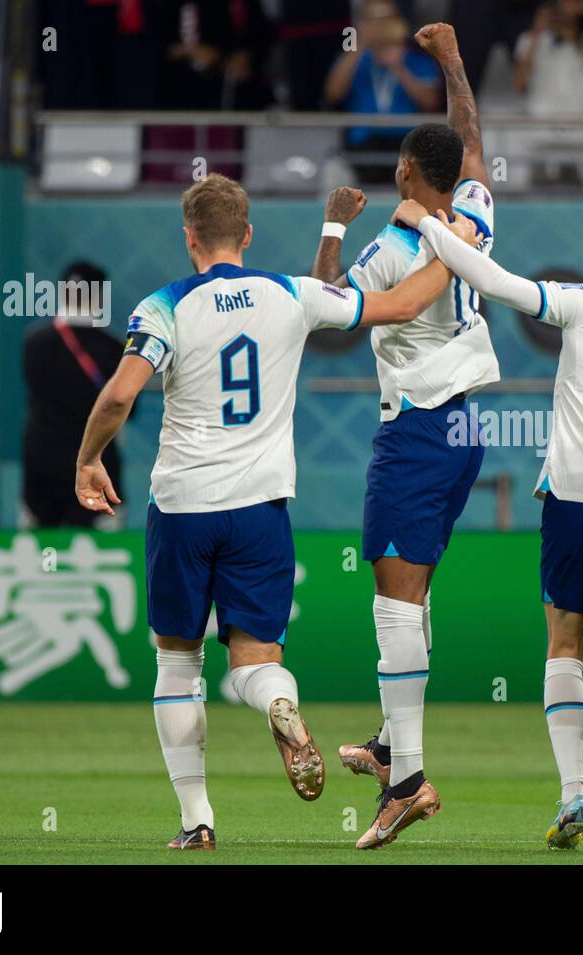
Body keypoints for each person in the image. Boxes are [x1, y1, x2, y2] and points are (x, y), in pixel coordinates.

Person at [73, 172, 476, 851]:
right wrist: (456, 245)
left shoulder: (164, 305)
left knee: (178, 663)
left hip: (183, 506)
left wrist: (89, 457)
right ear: (249, 234)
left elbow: (118, 396)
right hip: (260, 508)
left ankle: (197, 820)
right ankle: (277, 701)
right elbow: (404, 305)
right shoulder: (291, 293)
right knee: (254, 660)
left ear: (190, 238)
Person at [403, 199, 583, 855]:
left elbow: (490, 280)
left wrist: (426, 222)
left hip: (576, 501)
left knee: (565, 646)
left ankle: (574, 793)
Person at [311, 22, 500, 850]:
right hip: (466, 427)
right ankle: (394, 743)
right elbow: (472, 141)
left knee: (393, 601)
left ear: (400, 173)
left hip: (417, 428)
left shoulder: (391, 249)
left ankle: (410, 779)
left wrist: (331, 228)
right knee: (413, 594)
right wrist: (455, 64)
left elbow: (326, 318)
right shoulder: (474, 212)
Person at [23, 261, 126, 529]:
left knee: (38, 550)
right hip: (97, 465)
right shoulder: (113, 349)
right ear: (99, 297)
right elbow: (124, 407)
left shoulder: (34, 345)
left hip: (42, 466)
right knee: (100, 549)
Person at [323, 3, 443, 183]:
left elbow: (431, 102)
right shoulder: (354, 59)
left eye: (386, 20)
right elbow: (333, 94)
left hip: (406, 142)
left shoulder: (418, 59)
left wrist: (398, 68)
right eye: (372, 20)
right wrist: (361, 43)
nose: (379, 27)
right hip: (363, 141)